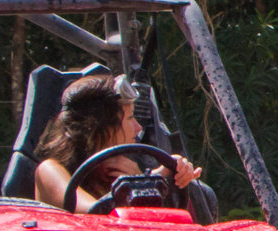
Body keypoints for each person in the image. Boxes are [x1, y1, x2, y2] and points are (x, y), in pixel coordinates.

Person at [35, 74, 203, 210]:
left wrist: (169, 175)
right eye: (130, 117)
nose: (138, 127)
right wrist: (138, 184)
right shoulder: (49, 170)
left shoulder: (121, 167)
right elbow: (94, 213)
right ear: (101, 126)